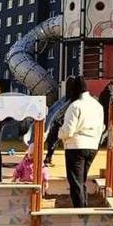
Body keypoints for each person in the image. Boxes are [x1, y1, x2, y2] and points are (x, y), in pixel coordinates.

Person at [59, 75, 105, 208]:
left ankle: (80, 212)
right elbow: (102, 127)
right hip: (93, 146)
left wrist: (59, 134)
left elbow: (68, 130)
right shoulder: (97, 105)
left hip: (76, 146)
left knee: (75, 182)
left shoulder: (75, 106)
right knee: (82, 180)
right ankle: (83, 208)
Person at [43, 76, 75, 167]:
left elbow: (57, 110)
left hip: (59, 122)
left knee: (53, 141)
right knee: (66, 142)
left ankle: (48, 157)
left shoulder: (65, 99)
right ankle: (49, 158)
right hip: (66, 122)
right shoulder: (72, 99)